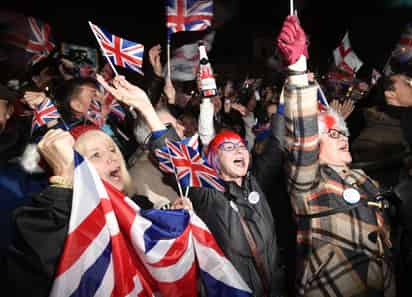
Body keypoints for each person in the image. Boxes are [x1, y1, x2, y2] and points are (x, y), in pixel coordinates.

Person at [96, 74, 285, 297]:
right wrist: (147, 109)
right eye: (228, 147)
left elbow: (277, 144)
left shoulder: (257, 182)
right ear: (214, 160)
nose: (238, 150)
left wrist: (285, 101)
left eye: (240, 145)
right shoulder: (208, 192)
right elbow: (177, 156)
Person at [277, 15, 395, 296]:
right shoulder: (308, 182)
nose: (343, 137)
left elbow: (384, 248)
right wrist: (297, 69)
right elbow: (302, 137)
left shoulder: (364, 180)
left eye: (342, 132)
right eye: (332, 134)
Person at [4, 126, 152, 296]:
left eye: (112, 149)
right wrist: (62, 182)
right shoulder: (52, 216)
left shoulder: (139, 206)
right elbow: (32, 272)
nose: (111, 157)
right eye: (96, 155)